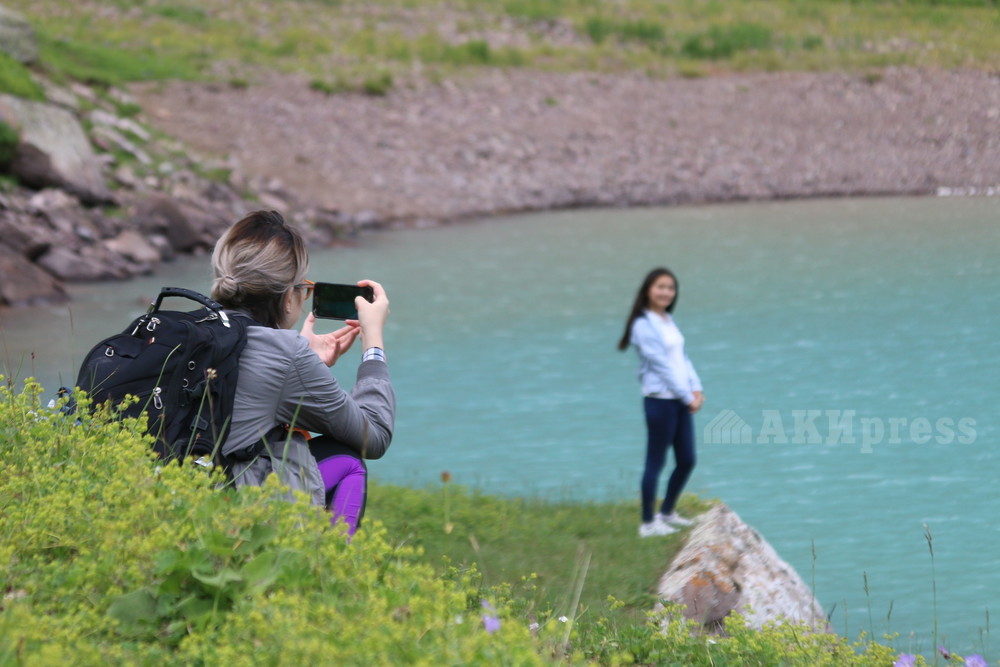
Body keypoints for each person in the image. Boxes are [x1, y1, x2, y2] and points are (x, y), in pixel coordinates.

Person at [210, 210, 395, 536]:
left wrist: (307, 361)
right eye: (305, 288)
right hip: (234, 508)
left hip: (174, 490)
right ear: (287, 297)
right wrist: (373, 343)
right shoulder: (286, 353)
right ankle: (330, 562)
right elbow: (375, 435)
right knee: (348, 461)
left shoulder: (186, 329)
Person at [618, 267, 704, 538]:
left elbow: (682, 358)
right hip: (660, 401)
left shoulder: (667, 320)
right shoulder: (642, 325)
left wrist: (697, 387)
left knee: (687, 459)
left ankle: (667, 512)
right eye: (660, 287)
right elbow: (662, 366)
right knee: (655, 463)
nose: (666, 292)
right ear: (648, 290)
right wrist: (687, 396)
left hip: (680, 399)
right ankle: (647, 523)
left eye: (670, 288)